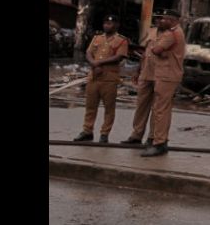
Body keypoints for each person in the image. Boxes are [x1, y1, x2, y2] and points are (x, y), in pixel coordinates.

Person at [120, 9, 185, 157]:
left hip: (163, 74)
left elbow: (156, 50)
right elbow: (148, 52)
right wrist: (139, 70)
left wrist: (159, 51)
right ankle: (138, 135)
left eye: (163, 19)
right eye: (158, 19)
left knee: (160, 109)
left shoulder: (171, 33)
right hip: (150, 72)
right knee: (143, 105)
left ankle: (157, 140)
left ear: (171, 20)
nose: (159, 21)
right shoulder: (155, 32)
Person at [73, 15, 129, 143]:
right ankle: (87, 131)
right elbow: (88, 53)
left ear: (116, 25)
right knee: (90, 106)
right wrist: (93, 63)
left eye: (110, 23)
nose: (107, 26)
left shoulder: (121, 40)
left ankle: (104, 134)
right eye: (105, 23)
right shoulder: (97, 38)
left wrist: (100, 63)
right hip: (94, 76)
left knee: (109, 108)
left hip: (109, 78)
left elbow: (119, 56)